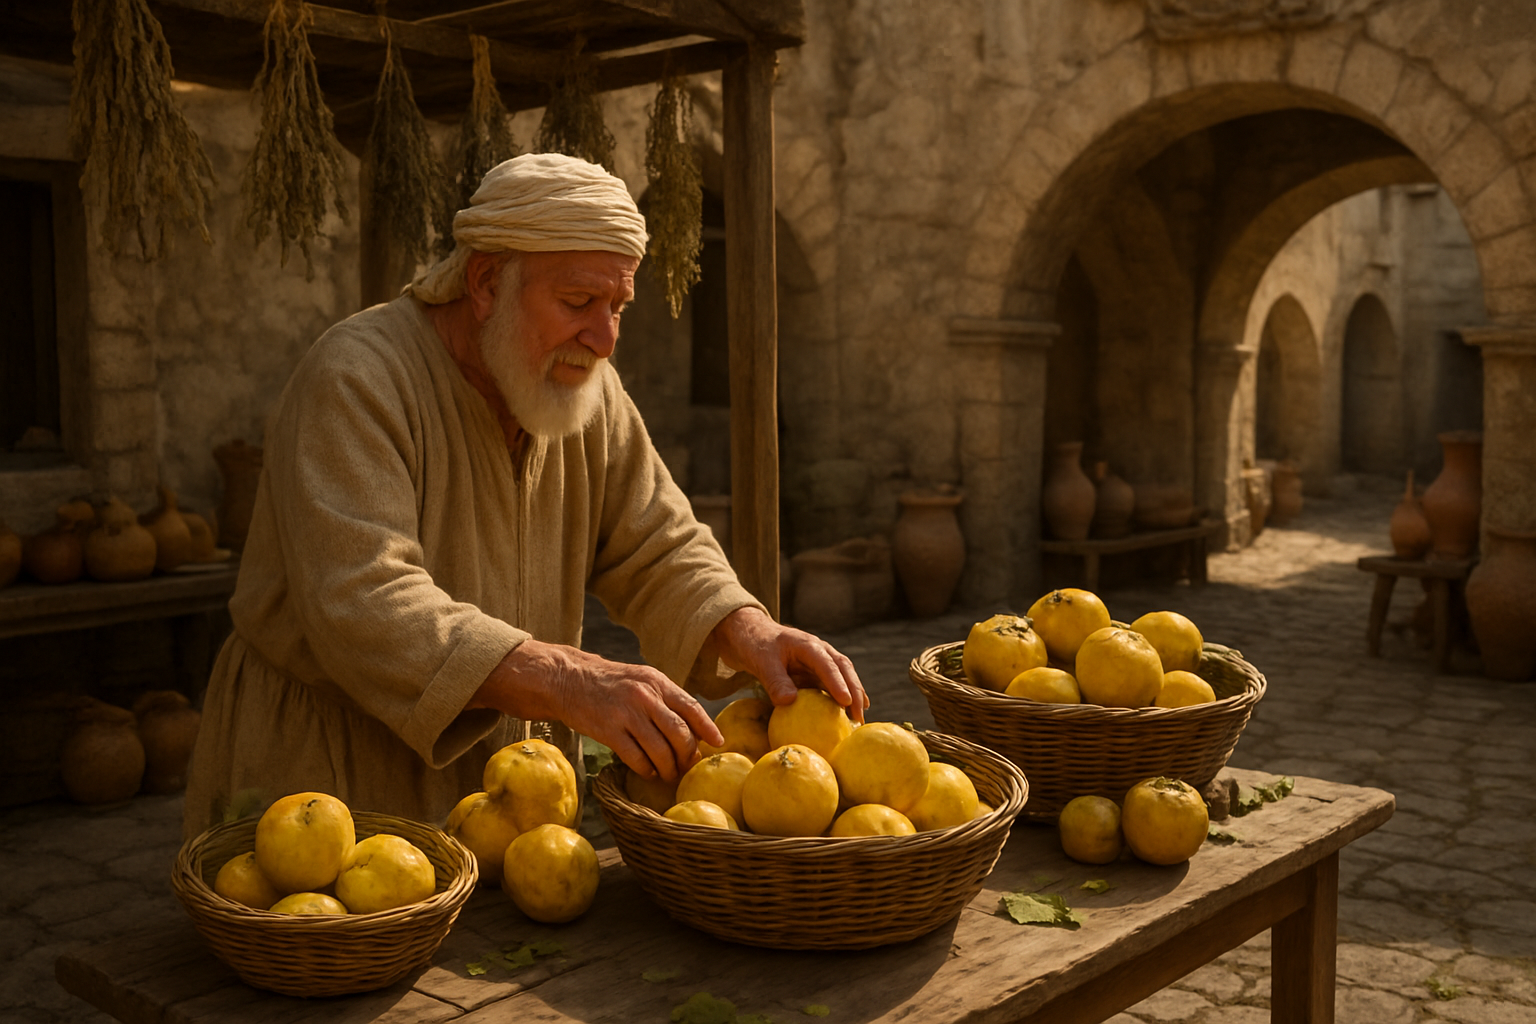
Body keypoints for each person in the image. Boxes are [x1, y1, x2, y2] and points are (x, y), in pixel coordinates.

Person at [181, 154, 866, 839]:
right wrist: (570, 679)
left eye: (617, 307)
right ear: (485, 282)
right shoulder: (358, 378)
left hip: (508, 792)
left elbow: (658, 544)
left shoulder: (585, 392)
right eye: (577, 303)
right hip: (325, 785)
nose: (603, 339)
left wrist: (749, 630)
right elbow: (363, 598)